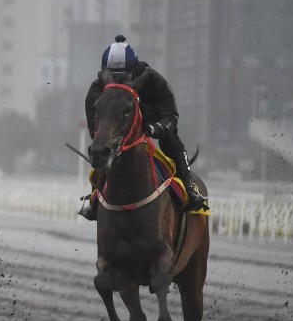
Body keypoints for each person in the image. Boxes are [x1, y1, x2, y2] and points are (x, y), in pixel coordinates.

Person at [78, 35, 207, 220]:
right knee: (101, 150)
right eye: (112, 77)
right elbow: (94, 127)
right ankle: (95, 197)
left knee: (171, 141)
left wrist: (153, 129)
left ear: (135, 72)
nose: (118, 83)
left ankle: (189, 187)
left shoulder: (155, 82)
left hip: (152, 120)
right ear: (104, 73)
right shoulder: (96, 91)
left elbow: (171, 117)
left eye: (123, 77)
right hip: (118, 127)